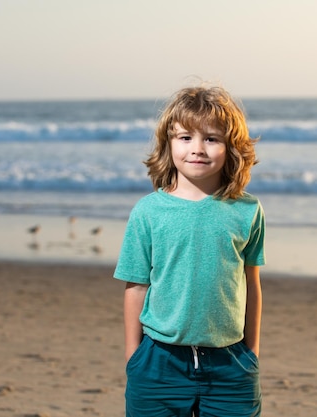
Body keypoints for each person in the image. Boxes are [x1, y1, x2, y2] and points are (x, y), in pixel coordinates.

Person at [114, 84, 266, 416]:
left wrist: (251, 351)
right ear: (168, 145)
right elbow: (136, 286)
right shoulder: (148, 212)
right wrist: (133, 356)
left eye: (211, 138)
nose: (197, 149)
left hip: (231, 364)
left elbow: (251, 283)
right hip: (158, 363)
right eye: (185, 138)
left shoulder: (247, 210)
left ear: (231, 147)